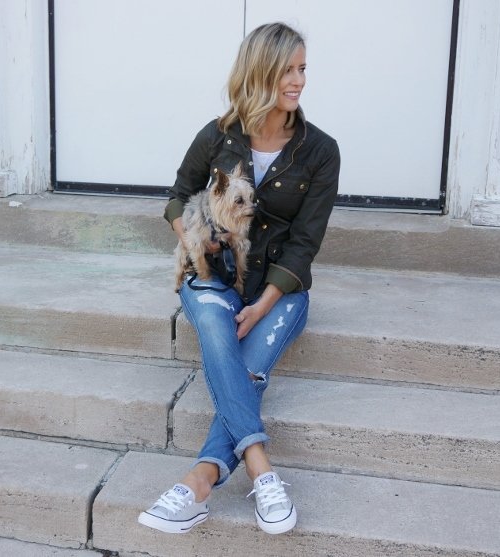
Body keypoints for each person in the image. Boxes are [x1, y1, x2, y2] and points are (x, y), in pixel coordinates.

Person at [138, 22, 340, 536]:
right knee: (216, 326)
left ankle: (200, 481)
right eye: (288, 70)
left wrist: (265, 302)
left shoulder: (320, 152)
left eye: (302, 70)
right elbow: (176, 196)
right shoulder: (218, 135)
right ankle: (259, 468)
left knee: (243, 364)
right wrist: (193, 241)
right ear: (260, 73)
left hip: (279, 291)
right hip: (214, 280)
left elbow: (305, 243)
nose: (298, 81)